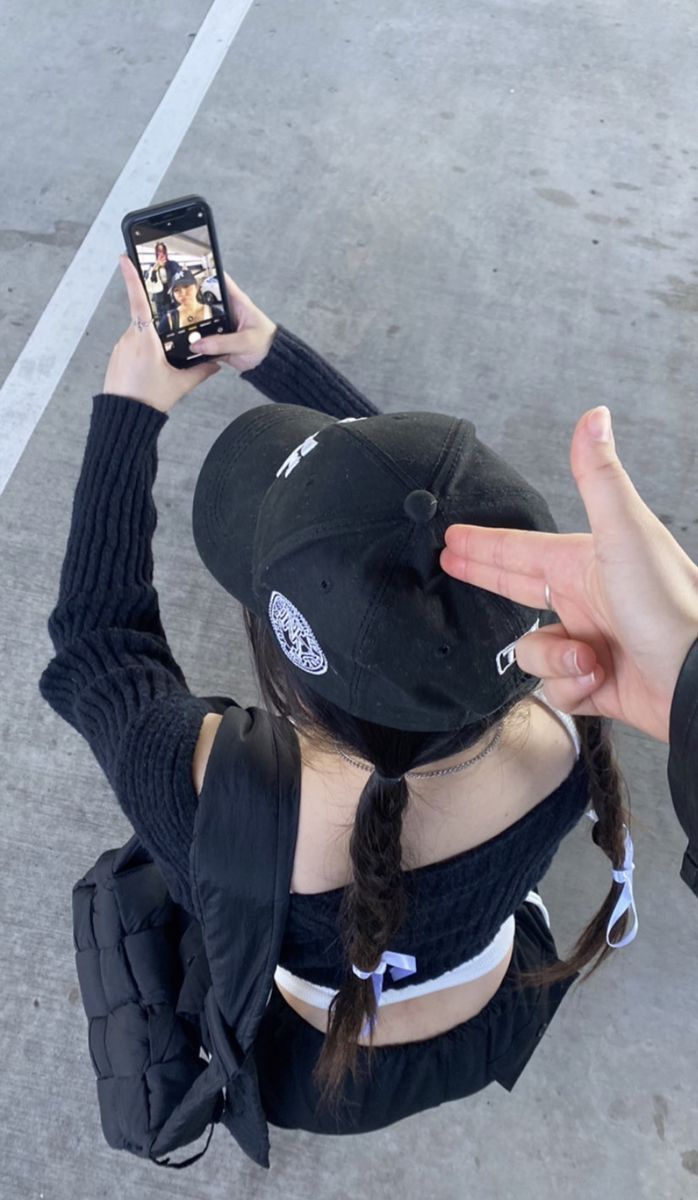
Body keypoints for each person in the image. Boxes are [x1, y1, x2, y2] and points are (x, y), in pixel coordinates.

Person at [39, 259, 697, 1157]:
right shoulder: (567, 709)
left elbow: (96, 640)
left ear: (289, 673)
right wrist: (274, 354)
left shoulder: (220, 802)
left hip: (313, 1064)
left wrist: (130, 404)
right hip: (494, 1009)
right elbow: (415, 517)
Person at [147, 241, 181, 321]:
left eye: (163, 251)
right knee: (163, 320)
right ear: (156, 253)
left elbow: (179, 273)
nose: (161, 253)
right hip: (159, 298)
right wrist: (155, 268)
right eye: (159, 251)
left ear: (166, 252)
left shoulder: (172, 264)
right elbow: (150, 280)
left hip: (171, 296)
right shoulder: (152, 266)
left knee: (174, 319)